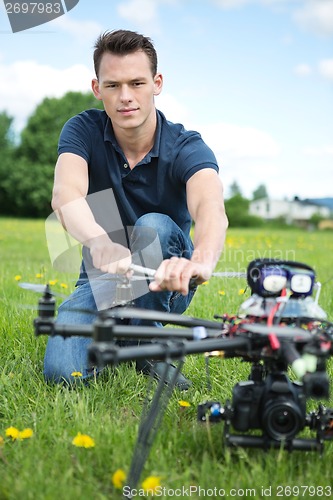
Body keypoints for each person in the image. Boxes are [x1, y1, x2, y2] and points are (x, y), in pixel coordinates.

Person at [43, 29, 228, 390]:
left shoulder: (185, 145)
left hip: (163, 283)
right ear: (98, 89)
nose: (125, 97)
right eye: (112, 86)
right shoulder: (82, 130)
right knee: (63, 373)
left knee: (155, 225)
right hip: (105, 276)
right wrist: (99, 242)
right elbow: (66, 195)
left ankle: (144, 336)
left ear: (156, 83)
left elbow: (210, 206)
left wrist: (202, 259)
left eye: (136, 83)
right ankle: (131, 337)